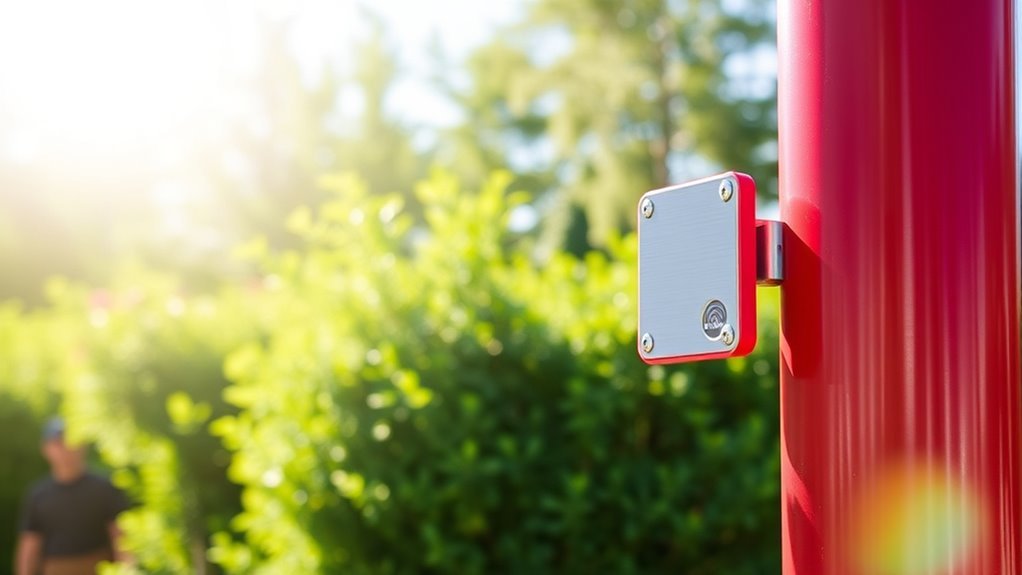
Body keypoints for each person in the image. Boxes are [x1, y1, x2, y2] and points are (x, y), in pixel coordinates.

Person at [15, 417, 131, 575]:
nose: (65, 449)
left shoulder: (104, 487)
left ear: (83, 446)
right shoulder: (38, 494)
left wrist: (128, 569)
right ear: (46, 449)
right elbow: (29, 546)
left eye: (71, 442)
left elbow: (120, 538)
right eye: (58, 444)